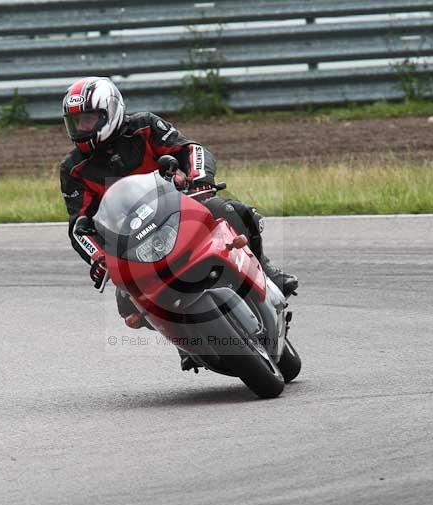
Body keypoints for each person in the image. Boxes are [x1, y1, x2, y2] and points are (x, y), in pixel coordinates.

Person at [59, 76, 298, 365]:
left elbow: (191, 149)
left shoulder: (145, 126)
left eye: (88, 119)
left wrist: (199, 179)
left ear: (110, 111)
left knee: (230, 210)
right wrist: (98, 257)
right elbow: (79, 225)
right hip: (133, 243)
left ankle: (267, 272)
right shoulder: (73, 169)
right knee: (128, 305)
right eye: (75, 122)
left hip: (179, 210)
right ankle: (186, 341)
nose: (81, 128)